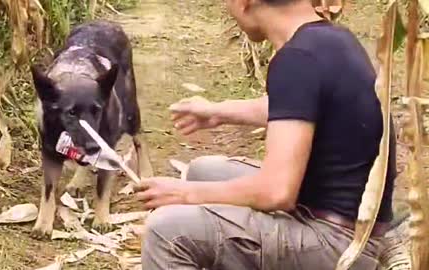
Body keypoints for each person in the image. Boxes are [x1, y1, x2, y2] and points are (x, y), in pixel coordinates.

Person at [134, 0, 397, 269]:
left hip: (339, 244)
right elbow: (297, 104)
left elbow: (276, 192)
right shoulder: (330, 39)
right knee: (205, 170)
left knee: (166, 231)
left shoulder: (297, 58)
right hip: (355, 223)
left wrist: (184, 194)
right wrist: (217, 112)